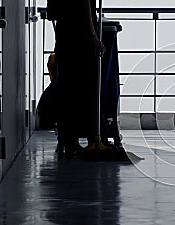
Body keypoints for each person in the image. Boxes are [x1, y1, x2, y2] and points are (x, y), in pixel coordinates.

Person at [47, 0, 105, 156]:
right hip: (82, 38)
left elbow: (51, 13)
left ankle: (67, 140)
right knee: (86, 89)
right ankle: (90, 137)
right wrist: (94, 36)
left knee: (66, 89)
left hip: (64, 36)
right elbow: (84, 5)